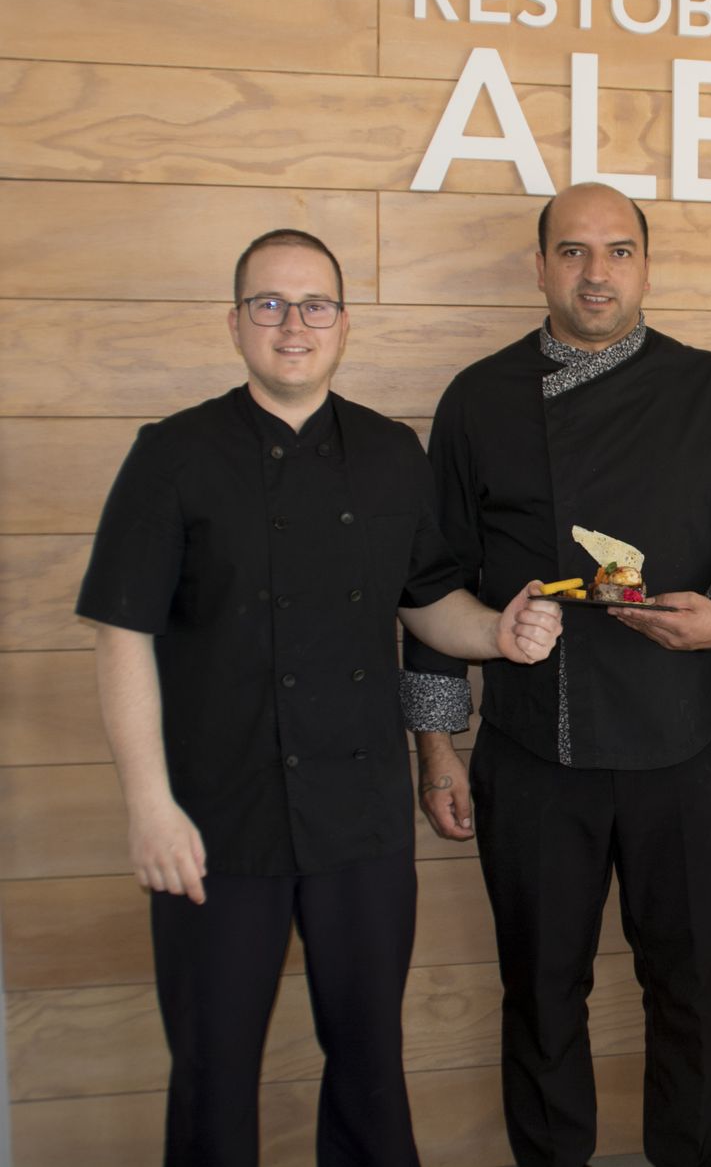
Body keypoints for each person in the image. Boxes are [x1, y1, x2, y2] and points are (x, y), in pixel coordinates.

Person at [75, 228, 564, 1167]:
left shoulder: (390, 451)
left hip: (360, 819)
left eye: (314, 305)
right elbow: (121, 634)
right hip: (215, 822)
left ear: (344, 324)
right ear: (235, 322)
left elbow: (429, 601)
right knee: (213, 1076)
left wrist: (497, 633)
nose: (292, 324)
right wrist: (149, 805)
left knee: (372, 1067)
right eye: (269, 303)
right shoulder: (172, 454)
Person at [400, 182, 711, 1167]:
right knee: (540, 990)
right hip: (535, 744)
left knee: (690, 986)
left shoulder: (709, 385)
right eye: (572, 251)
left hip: (683, 739)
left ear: (647, 266)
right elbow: (434, 579)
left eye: (618, 250)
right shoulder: (478, 397)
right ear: (539, 267)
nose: (596, 273)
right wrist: (437, 745)